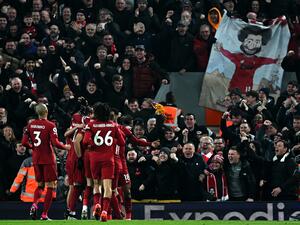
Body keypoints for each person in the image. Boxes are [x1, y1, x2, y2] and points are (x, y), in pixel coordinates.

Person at [21, 103, 70, 220]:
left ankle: (34, 205)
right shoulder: (50, 125)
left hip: (36, 158)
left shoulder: (30, 125)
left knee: (40, 185)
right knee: (51, 186)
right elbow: (55, 143)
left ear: (38, 113)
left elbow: (23, 142)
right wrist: (66, 147)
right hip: (48, 158)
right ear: (46, 111)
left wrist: (33, 147)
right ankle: (44, 214)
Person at [82, 102, 125, 222]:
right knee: (108, 187)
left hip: (94, 158)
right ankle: (105, 212)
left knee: (96, 184)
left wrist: (93, 144)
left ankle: (97, 204)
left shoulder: (91, 125)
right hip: (108, 159)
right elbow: (122, 142)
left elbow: (85, 142)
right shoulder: (113, 125)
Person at [216, 25, 278, 93]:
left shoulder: (257, 60)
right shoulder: (238, 57)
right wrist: (221, 49)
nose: (252, 45)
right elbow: (229, 55)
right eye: (249, 41)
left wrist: (276, 61)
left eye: (257, 42)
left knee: (245, 101)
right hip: (234, 86)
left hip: (247, 89)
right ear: (243, 41)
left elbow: (266, 61)